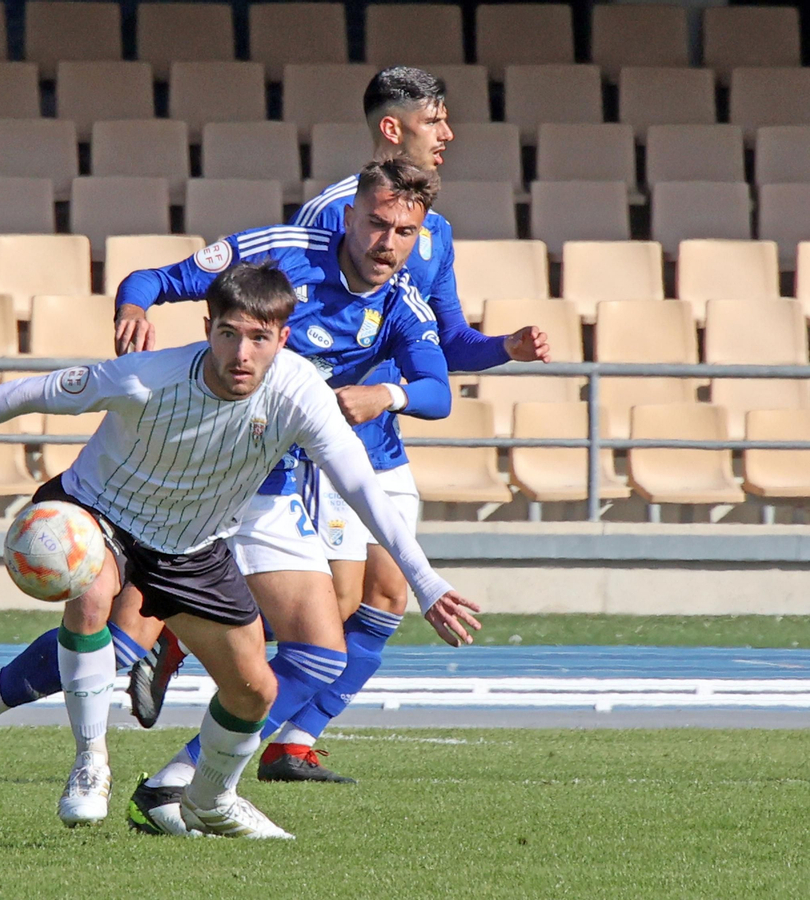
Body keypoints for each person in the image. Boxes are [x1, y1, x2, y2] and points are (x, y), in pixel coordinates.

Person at [0, 161, 481, 835]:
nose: (388, 241)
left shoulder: (395, 307)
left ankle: (181, 786)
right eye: (377, 223)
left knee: (317, 654)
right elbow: (152, 282)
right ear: (348, 215)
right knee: (111, 636)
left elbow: (432, 401)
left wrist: (391, 399)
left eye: (405, 231)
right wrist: (132, 308)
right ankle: (19, 727)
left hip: (261, 486)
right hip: (166, 485)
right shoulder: (273, 257)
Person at [118, 66, 548, 784]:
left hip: (377, 439)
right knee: (329, 613)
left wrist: (499, 349)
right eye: (436, 119)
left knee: (383, 598)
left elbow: (440, 349)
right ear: (393, 128)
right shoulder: (323, 224)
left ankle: (288, 740)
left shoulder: (432, 233)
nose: (448, 133)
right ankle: (185, 648)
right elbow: (281, 322)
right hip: (313, 449)